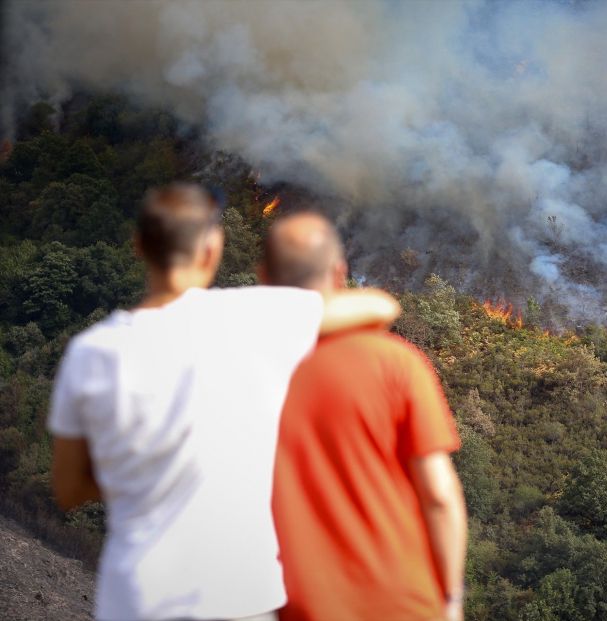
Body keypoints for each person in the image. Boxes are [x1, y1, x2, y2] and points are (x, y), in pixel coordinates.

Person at [48, 184, 400, 621]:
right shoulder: (255, 318)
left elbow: (69, 488)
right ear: (212, 249)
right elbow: (379, 306)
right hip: (241, 596)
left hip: (138, 599)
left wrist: (146, 469)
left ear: (139, 245)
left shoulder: (91, 352)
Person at [263, 211, 468, 621]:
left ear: (263, 277)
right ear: (340, 273)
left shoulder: (244, 366)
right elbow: (439, 495)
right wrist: (451, 598)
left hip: (300, 605)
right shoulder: (398, 362)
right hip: (404, 605)